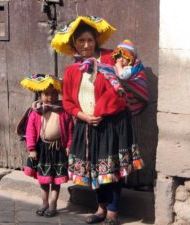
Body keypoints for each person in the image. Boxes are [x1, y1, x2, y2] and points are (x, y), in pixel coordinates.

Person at [51, 16, 144, 225]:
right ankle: (101, 208)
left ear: (96, 41)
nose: (86, 45)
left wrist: (101, 111)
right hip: (87, 126)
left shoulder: (111, 59)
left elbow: (124, 79)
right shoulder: (71, 70)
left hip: (113, 123)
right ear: (74, 43)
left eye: (90, 40)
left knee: (112, 170)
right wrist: (83, 116)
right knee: (96, 169)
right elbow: (67, 102)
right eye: (81, 41)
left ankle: (113, 211)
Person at [20, 74, 74, 217]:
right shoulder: (36, 112)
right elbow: (30, 130)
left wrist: (69, 146)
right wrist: (31, 148)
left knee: (56, 180)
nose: (50, 97)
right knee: (44, 179)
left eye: (54, 93)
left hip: (58, 150)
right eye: (46, 94)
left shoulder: (63, 111)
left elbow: (70, 130)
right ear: (40, 94)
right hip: (42, 149)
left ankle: (53, 204)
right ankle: (44, 202)